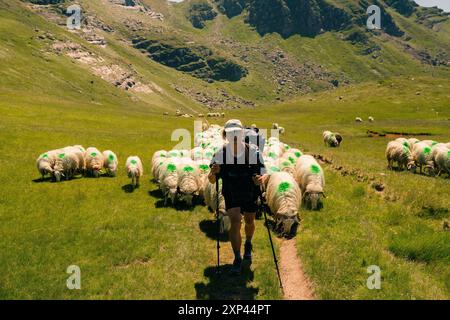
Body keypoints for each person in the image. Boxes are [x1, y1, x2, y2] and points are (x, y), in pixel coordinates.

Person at [209, 119, 267, 275]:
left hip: (250, 191)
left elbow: (264, 172)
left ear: (242, 133)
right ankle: (237, 258)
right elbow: (211, 180)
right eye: (231, 133)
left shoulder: (253, 151)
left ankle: (248, 242)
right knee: (235, 222)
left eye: (237, 132)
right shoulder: (220, 153)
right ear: (225, 135)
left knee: (249, 221)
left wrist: (261, 179)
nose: (234, 136)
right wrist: (213, 173)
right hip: (231, 191)